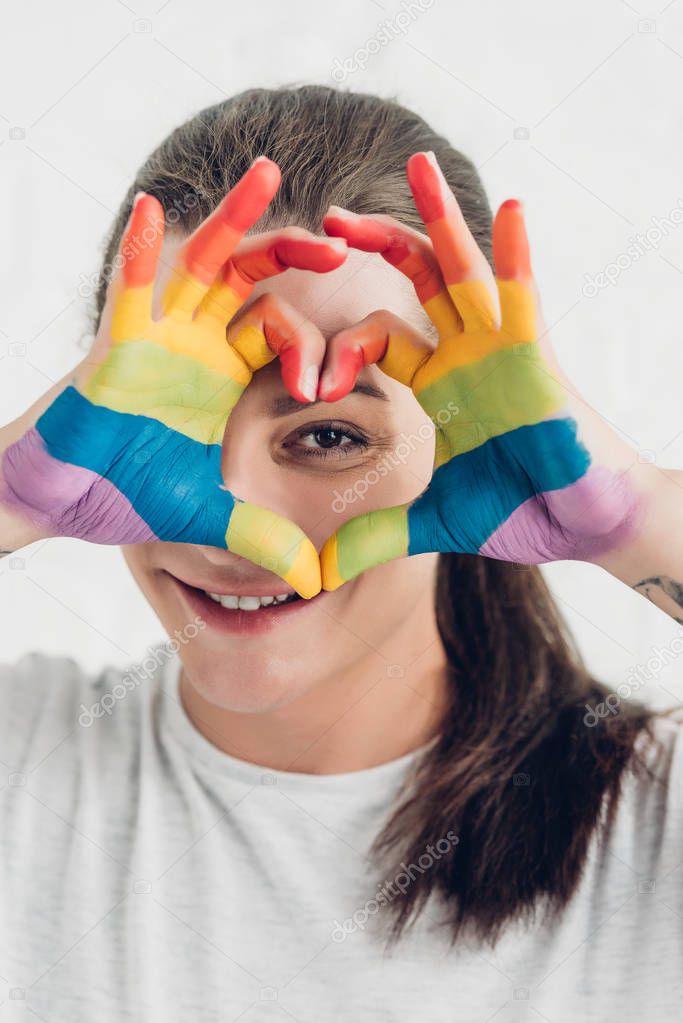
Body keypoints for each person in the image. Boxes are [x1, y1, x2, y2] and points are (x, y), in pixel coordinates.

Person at [0, 85, 681, 1022]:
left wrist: (633, 515)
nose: (218, 514)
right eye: (167, 429)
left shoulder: (651, 820)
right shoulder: (24, 761)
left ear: (470, 439)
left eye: (328, 436)